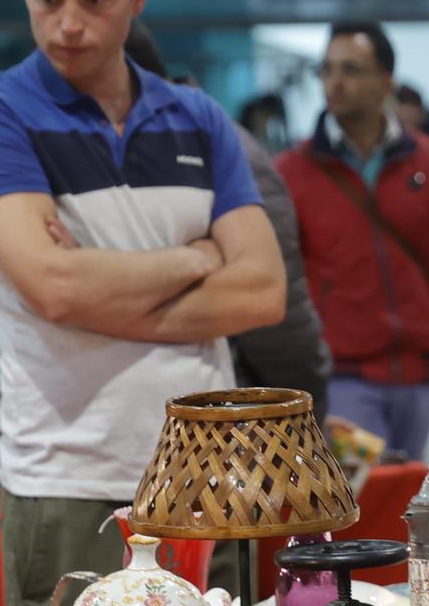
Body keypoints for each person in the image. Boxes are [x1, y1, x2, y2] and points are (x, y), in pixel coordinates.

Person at [0, 0, 285, 606]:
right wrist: (196, 257)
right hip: (72, 480)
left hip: (206, 477)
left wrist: (107, 290)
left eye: (94, 0)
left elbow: (262, 291)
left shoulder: (197, 118)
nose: (67, 25)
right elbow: (56, 287)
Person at [276, 22, 429, 459]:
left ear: (386, 82)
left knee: (407, 503)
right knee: (362, 502)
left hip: (421, 375)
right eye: (326, 70)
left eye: (351, 69)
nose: (335, 82)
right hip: (344, 377)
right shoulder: (294, 171)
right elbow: (287, 285)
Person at [126, 21, 330, 415]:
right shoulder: (115, 154)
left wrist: (303, 405)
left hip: (234, 409)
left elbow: (276, 311)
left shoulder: (218, 146)